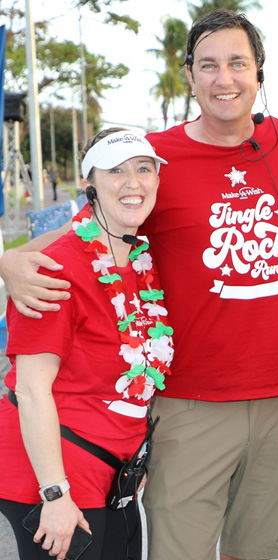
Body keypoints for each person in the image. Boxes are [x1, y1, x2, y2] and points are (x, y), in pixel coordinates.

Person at [0, 10, 278, 560]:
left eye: (237, 64)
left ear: (259, 74)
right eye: (209, 66)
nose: (224, 78)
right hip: (187, 403)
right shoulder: (152, 161)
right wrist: (8, 263)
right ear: (189, 76)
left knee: (261, 552)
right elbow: (79, 234)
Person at [0, 128, 171, 560]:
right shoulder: (54, 271)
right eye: (116, 170)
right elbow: (31, 388)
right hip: (56, 475)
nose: (133, 182)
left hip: (115, 476)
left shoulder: (139, 262)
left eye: (143, 168)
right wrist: (54, 494)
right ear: (88, 183)